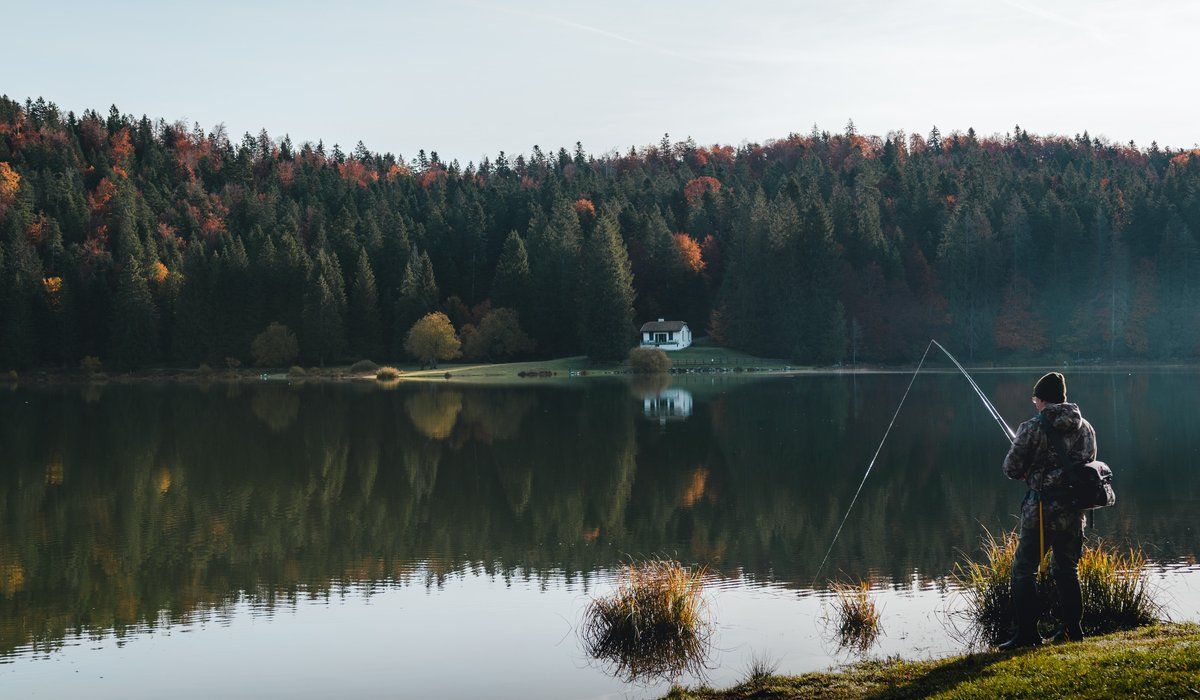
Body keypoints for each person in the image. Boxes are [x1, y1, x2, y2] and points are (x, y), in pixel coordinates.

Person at [998, 371, 1096, 649]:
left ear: (1042, 399)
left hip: (1040, 511)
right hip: (1075, 511)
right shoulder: (1085, 426)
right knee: (1067, 570)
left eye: (1035, 400)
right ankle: (1072, 630)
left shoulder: (1031, 427)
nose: (1035, 405)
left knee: (1023, 571)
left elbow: (1010, 469)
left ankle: (1028, 634)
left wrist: (1030, 470)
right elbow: (1087, 463)